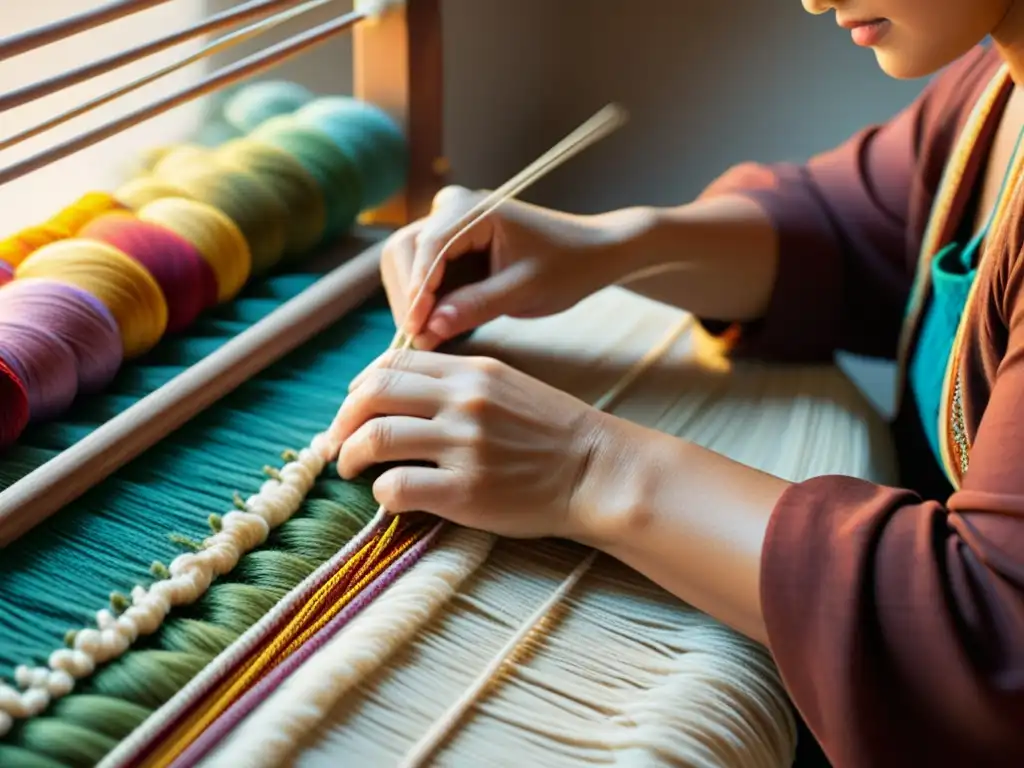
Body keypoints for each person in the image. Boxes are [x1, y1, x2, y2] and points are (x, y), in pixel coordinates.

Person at [328, 2, 1024, 766]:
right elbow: (867, 230)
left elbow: (991, 636)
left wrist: (590, 467)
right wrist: (609, 246)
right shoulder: (998, 81)